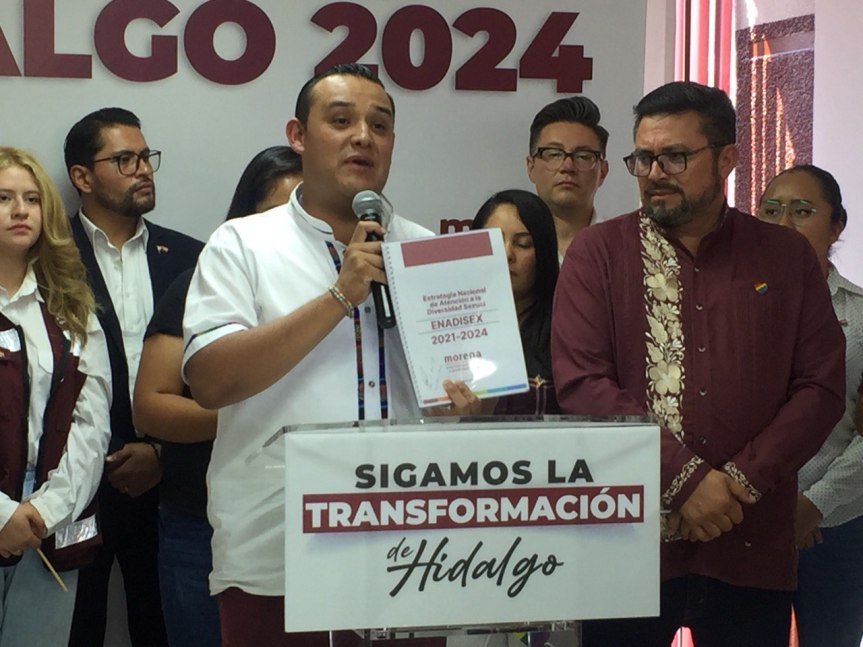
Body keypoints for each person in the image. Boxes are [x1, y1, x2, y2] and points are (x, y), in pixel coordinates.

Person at [183, 64, 473, 646]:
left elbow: (470, 393)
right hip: (278, 553)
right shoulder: (242, 244)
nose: (363, 136)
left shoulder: (430, 251)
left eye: (380, 126)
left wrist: (464, 406)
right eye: (341, 121)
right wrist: (340, 296)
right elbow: (210, 381)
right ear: (298, 135)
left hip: (413, 550)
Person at [551, 81, 845, 646]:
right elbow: (583, 385)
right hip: (627, 541)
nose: (654, 173)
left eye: (675, 157)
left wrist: (737, 482)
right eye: (643, 158)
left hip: (749, 541)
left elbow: (821, 385)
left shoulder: (784, 257)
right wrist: (686, 481)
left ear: (727, 158)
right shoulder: (598, 254)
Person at [132, 145, 302, 647]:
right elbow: (152, 405)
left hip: (319, 518)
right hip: (200, 522)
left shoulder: (345, 293)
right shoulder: (199, 283)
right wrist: (256, 416)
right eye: (276, 214)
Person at [64, 107, 204, 647]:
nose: (143, 169)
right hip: (75, 489)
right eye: (124, 160)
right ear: (82, 177)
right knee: (75, 628)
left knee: (164, 628)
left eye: (146, 157)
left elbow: (207, 374)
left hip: (170, 486)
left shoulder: (191, 256)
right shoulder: (47, 255)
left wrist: (161, 453)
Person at [0, 147, 111, 645]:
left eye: (31, 199)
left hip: (49, 526)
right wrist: (3, 516)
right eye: (3, 198)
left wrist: (45, 511)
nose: (20, 210)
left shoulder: (71, 308)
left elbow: (92, 425)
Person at [757, 164, 863, 647]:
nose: (783, 224)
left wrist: (813, 505)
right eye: (771, 211)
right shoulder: (729, 307)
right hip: (745, 518)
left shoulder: (859, 314)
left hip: (838, 522)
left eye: (802, 212)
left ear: (837, 225)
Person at [471, 189, 560, 415]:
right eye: (493, 241)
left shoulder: (564, 331)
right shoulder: (454, 329)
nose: (507, 254)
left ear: (543, 253)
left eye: (523, 244)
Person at [526, 96, 609, 261]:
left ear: (603, 172)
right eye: (554, 154)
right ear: (531, 167)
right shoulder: (505, 250)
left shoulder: (623, 246)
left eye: (583, 156)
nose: (567, 167)